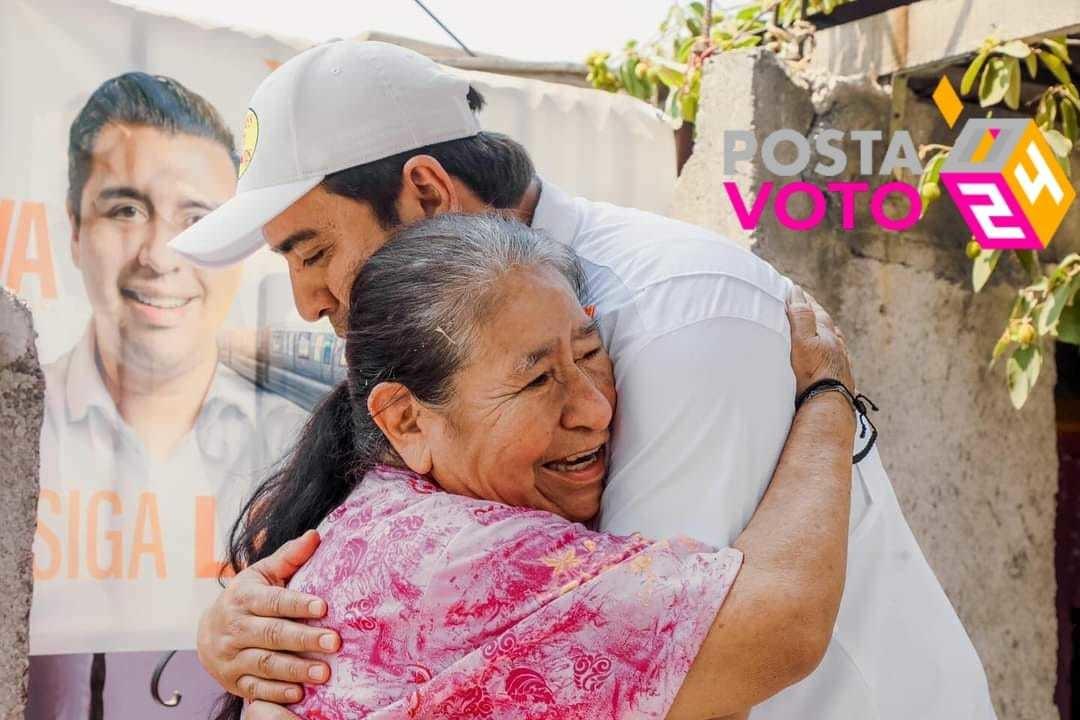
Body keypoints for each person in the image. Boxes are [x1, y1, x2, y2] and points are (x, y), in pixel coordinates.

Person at [171, 40, 996, 720]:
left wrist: (828, 399)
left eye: (313, 253)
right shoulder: (438, 359)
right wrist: (242, 634)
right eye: (538, 378)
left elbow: (733, 645)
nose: (310, 301)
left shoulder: (680, 314)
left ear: (425, 191)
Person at [219, 213, 858, 720]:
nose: (595, 407)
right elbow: (781, 623)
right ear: (406, 420)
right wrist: (828, 395)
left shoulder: (373, 512)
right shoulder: (473, 557)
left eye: (589, 351)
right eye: (537, 381)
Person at [27, 72, 307, 720]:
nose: (160, 254)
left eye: (196, 220)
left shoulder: (299, 450)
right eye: (125, 210)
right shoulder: (18, 440)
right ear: (74, 230)